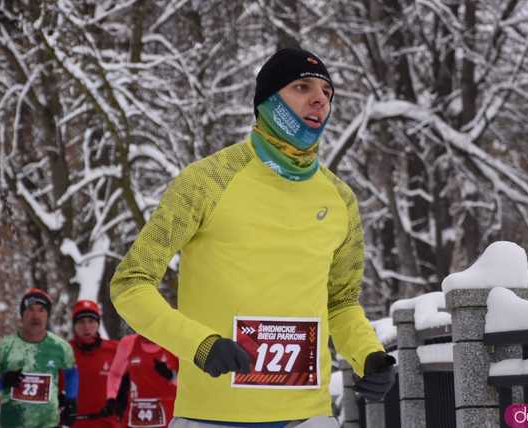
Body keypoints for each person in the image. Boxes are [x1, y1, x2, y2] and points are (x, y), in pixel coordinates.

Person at [110, 47, 395, 427]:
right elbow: (130, 284)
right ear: (268, 101)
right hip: (211, 415)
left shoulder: (340, 199)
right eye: (302, 86)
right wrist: (200, 345)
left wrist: (369, 355)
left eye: (327, 93)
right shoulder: (207, 181)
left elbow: (340, 303)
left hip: (306, 416)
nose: (319, 100)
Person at [0, 288, 79, 428]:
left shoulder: (61, 347)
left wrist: (71, 400)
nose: (36, 316)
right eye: (30, 309)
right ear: (22, 314)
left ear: (47, 316)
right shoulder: (4, 347)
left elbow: (72, 374)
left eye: (41, 310)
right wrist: (1, 382)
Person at [105, 334, 178, 428]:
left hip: (168, 414)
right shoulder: (128, 342)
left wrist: (171, 376)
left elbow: (189, 384)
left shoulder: (174, 344)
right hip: (136, 413)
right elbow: (116, 373)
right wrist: (112, 397)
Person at [69, 300, 120, 428]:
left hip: (109, 423)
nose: (86, 327)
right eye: (81, 322)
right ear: (74, 325)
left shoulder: (115, 350)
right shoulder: (64, 351)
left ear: (98, 324)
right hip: (74, 423)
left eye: (91, 321)